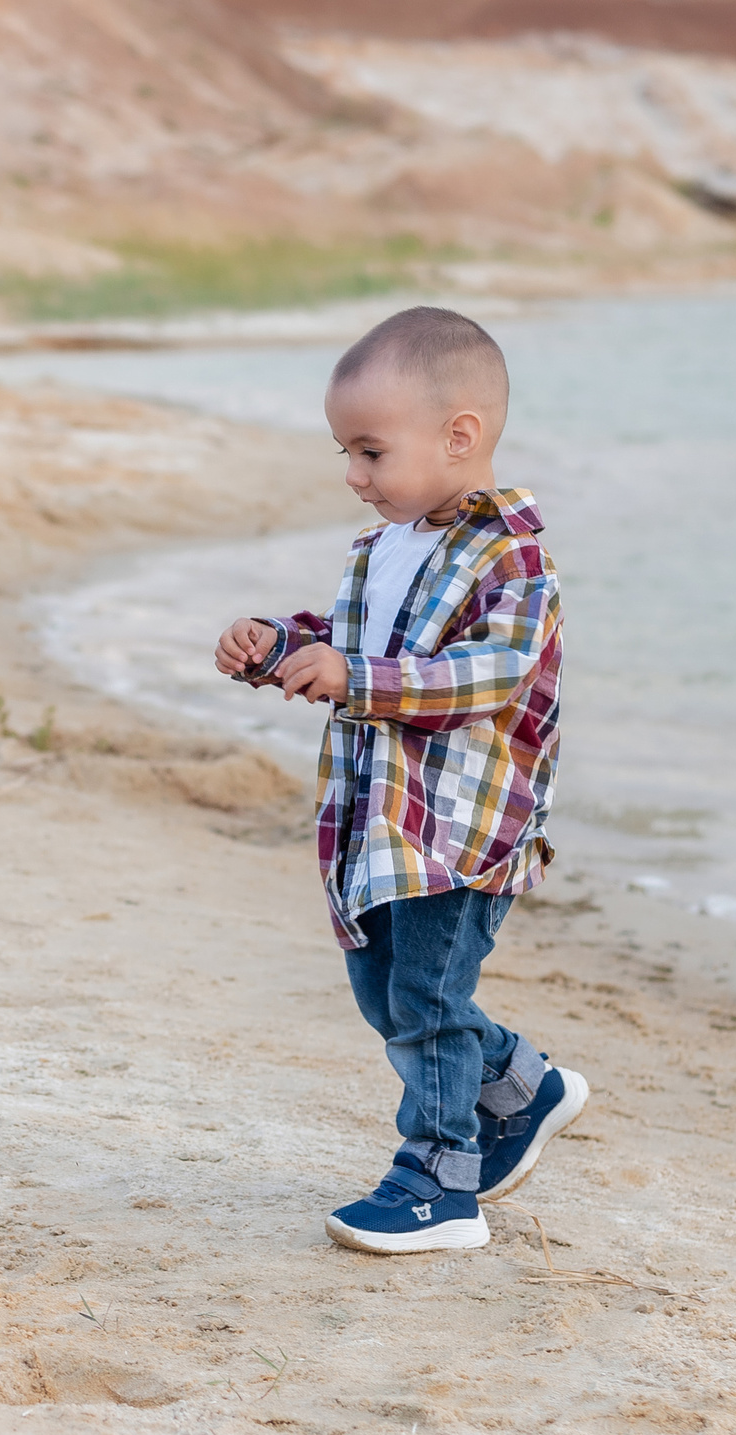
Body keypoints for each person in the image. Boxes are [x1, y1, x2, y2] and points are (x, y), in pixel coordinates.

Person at [212, 306, 588, 1255]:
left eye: (371, 451)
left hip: (461, 828)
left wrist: (356, 677)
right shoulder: (381, 549)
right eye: (346, 451)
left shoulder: (513, 557)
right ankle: (519, 1084)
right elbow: (357, 648)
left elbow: (486, 677)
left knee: (422, 1000)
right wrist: (283, 644)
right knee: (386, 992)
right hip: (378, 820)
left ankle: (438, 1181)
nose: (353, 476)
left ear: (459, 435)